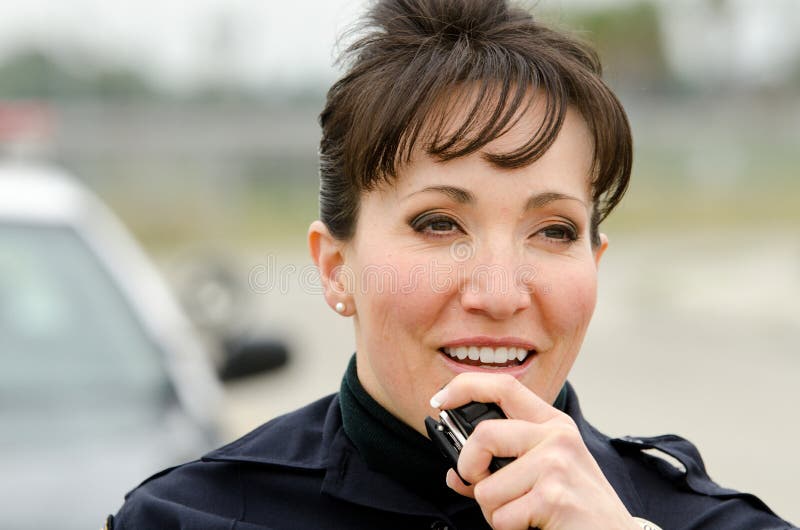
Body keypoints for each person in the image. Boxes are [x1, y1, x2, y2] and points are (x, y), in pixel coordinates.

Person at [108, 1, 796, 528]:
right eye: (439, 223)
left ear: (596, 262)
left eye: (553, 230)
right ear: (334, 267)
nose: (500, 294)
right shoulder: (185, 517)